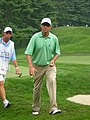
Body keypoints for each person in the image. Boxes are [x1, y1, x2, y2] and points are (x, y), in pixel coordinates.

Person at [25, 18, 61, 115]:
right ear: (41, 26)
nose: (45, 27)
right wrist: (31, 66)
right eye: (44, 25)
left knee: (52, 82)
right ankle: (36, 108)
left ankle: (53, 108)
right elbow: (28, 53)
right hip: (37, 66)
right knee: (37, 88)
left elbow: (57, 52)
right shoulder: (35, 37)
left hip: (49, 65)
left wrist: (53, 60)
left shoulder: (54, 38)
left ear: (50, 27)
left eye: (47, 25)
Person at [0, 27, 20, 108]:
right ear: (4, 33)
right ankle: (5, 102)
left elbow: (13, 57)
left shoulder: (12, 44)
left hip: (4, 68)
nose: (8, 35)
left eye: (10, 33)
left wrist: (17, 67)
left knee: (1, 84)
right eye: (7, 33)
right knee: (1, 83)